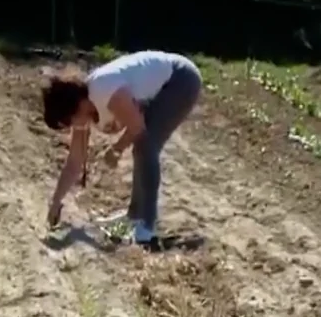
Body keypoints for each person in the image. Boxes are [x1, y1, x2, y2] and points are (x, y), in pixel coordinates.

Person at [42, 49, 202, 246]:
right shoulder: (85, 111)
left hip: (180, 80)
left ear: (77, 105)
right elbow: (75, 160)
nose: (72, 126)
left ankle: (146, 228)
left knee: (145, 145)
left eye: (68, 120)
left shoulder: (103, 90)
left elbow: (137, 126)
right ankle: (133, 218)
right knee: (142, 146)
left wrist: (116, 150)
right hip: (163, 85)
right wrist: (56, 202)